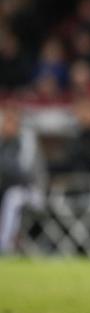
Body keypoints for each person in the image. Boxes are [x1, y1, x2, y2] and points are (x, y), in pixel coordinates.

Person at [0, 105, 43, 253]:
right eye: (5, 121)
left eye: (11, 122)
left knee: (13, 197)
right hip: (6, 187)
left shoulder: (26, 143)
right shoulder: (3, 143)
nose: (7, 126)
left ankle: (4, 246)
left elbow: (24, 173)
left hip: (32, 190)